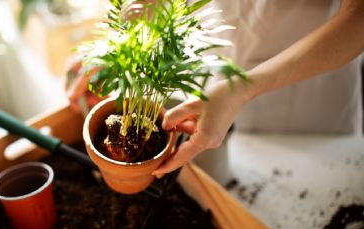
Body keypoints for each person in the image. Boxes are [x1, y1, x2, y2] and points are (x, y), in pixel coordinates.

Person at [66, 0, 364, 179]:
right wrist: (120, 46)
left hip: (311, 79)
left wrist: (243, 89)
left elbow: (358, 17)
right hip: (222, 57)